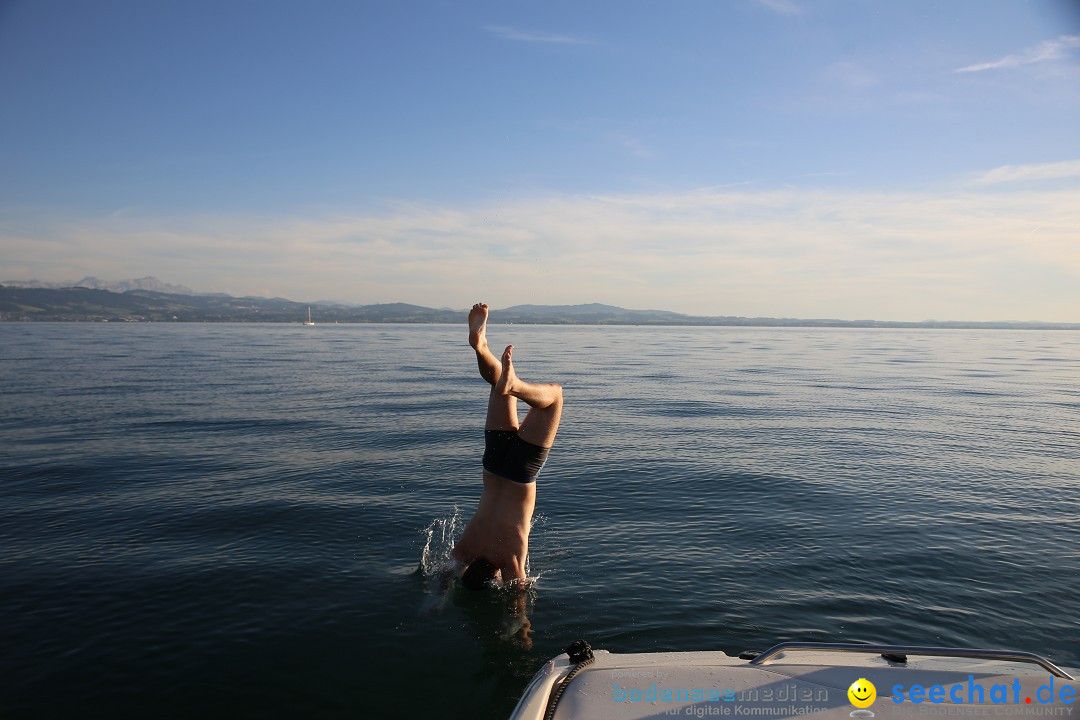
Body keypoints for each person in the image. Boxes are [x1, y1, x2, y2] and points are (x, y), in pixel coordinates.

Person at [451, 303, 563, 591]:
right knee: (497, 380)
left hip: (520, 473)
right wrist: (431, 604)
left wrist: (518, 628)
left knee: (554, 397)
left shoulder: (509, 558)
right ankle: (480, 347)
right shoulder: (465, 548)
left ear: (495, 578)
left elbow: (518, 598)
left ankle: (514, 385)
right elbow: (443, 579)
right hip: (492, 463)